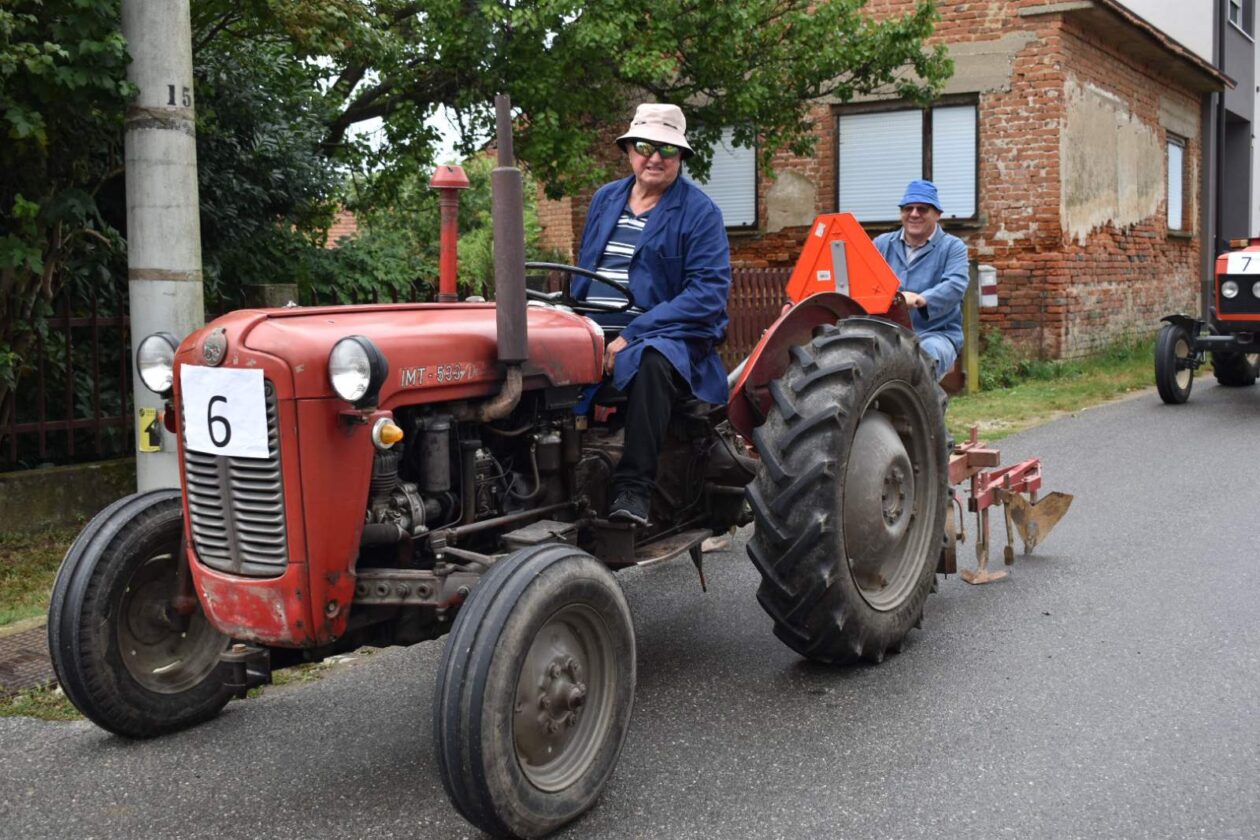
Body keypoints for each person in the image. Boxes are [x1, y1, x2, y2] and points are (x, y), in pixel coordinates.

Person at [570, 103, 731, 526]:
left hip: (670, 337)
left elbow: (708, 295)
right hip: (592, 331)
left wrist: (635, 333)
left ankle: (633, 489)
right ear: (629, 150)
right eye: (645, 145)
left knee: (651, 362)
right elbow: (585, 275)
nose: (654, 157)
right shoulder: (606, 199)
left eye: (667, 149)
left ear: (681, 157)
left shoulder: (700, 212)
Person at [872, 180, 970, 380]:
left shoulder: (953, 247)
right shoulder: (881, 244)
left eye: (922, 209)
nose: (914, 214)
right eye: (908, 208)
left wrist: (921, 299)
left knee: (923, 360)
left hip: (935, 334)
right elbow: (858, 280)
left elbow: (955, 285)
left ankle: (921, 409)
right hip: (886, 335)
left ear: (937, 214)